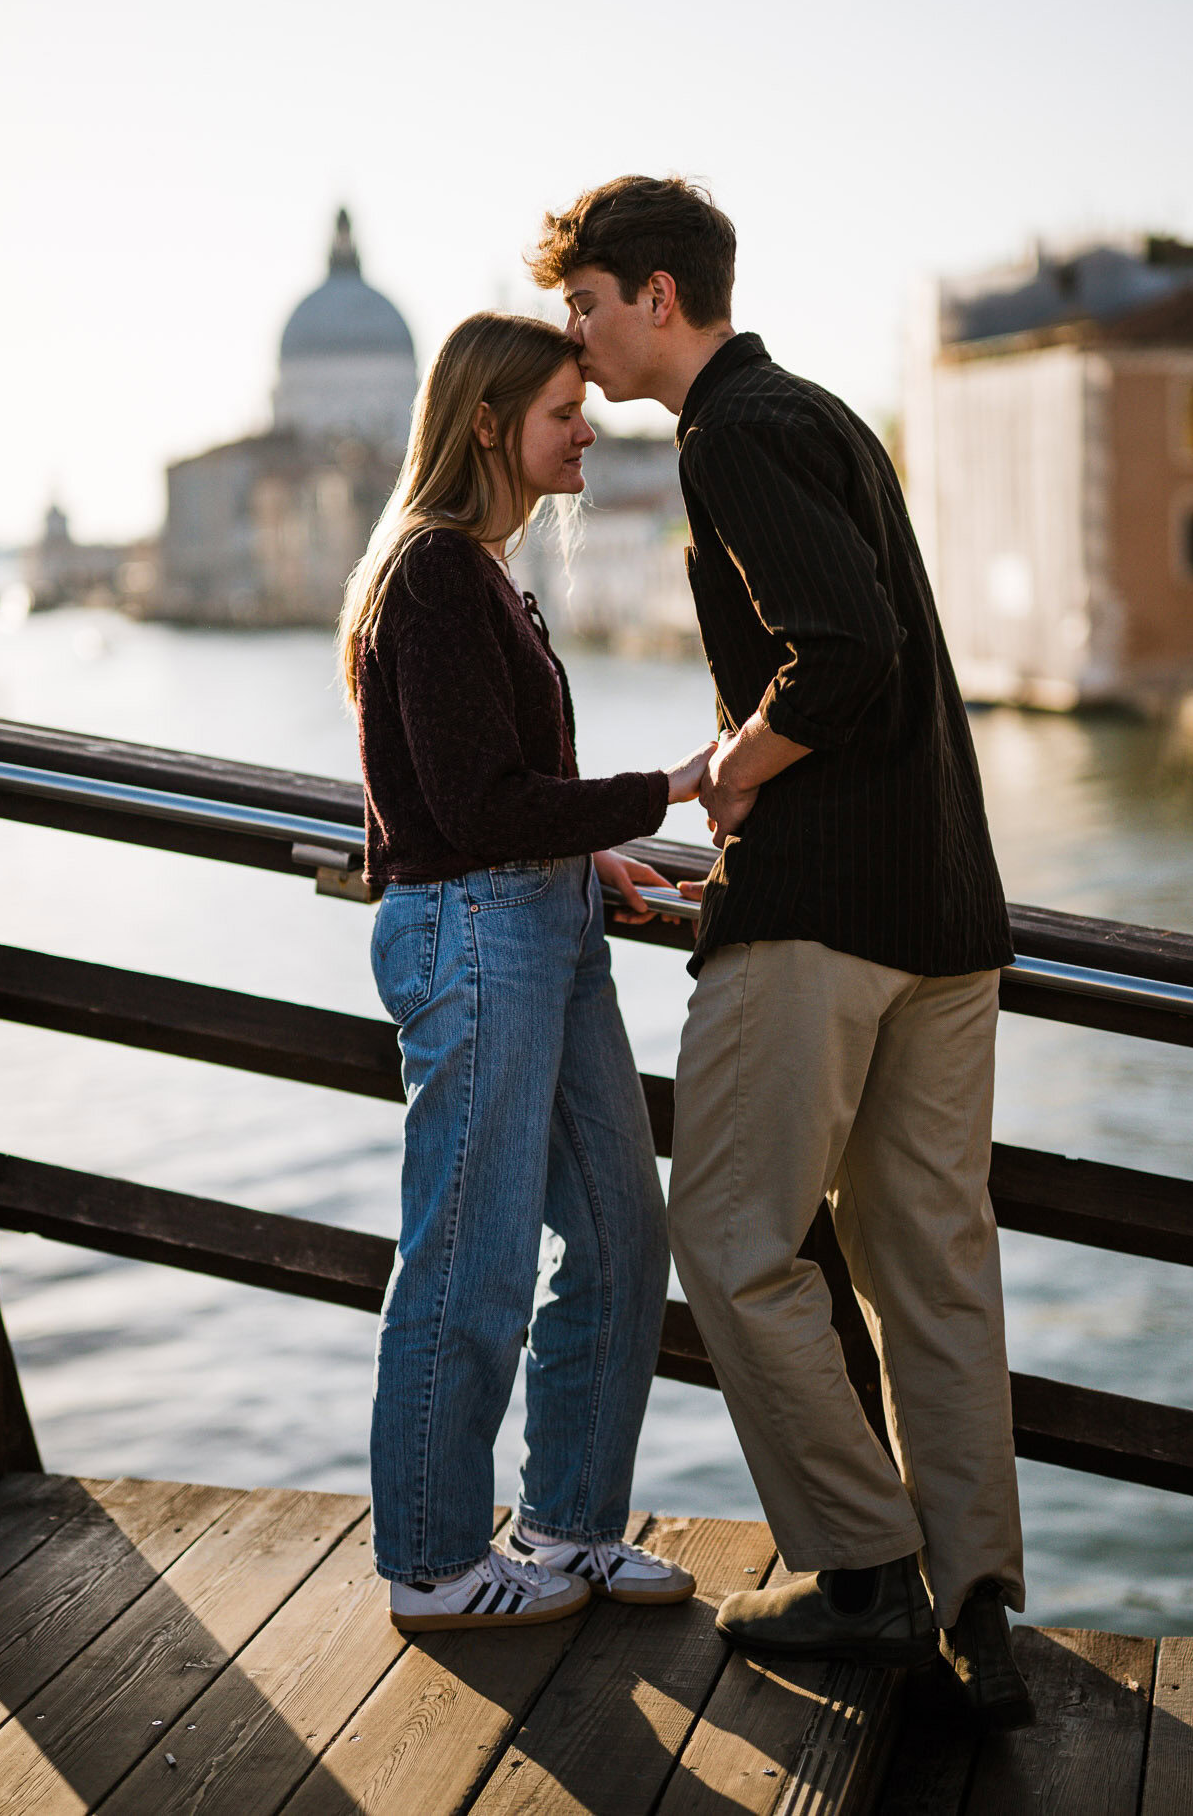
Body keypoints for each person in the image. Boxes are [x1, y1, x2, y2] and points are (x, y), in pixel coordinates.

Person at [528, 177, 1032, 1727]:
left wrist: (736, 766)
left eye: (590, 305)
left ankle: (864, 1575)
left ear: (660, 297)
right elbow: (879, 645)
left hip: (823, 911)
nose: (581, 337)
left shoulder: (728, 434)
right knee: (928, 1264)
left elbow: (850, 652)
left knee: (731, 1242)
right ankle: (980, 1610)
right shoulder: (821, 416)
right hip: (945, 911)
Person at [338, 311, 713, 1632]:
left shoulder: (485, 570)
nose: (587, 427)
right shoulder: (435, 573)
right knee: (472, 1263)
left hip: (542, 922)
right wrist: (658, 791)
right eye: (564, 410)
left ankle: (564, 1527)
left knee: (622, 1230)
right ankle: (435, 1563)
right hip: (479, 939)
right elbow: (473, 804)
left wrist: (585, 853)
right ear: (490, 423)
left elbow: (492, 792)